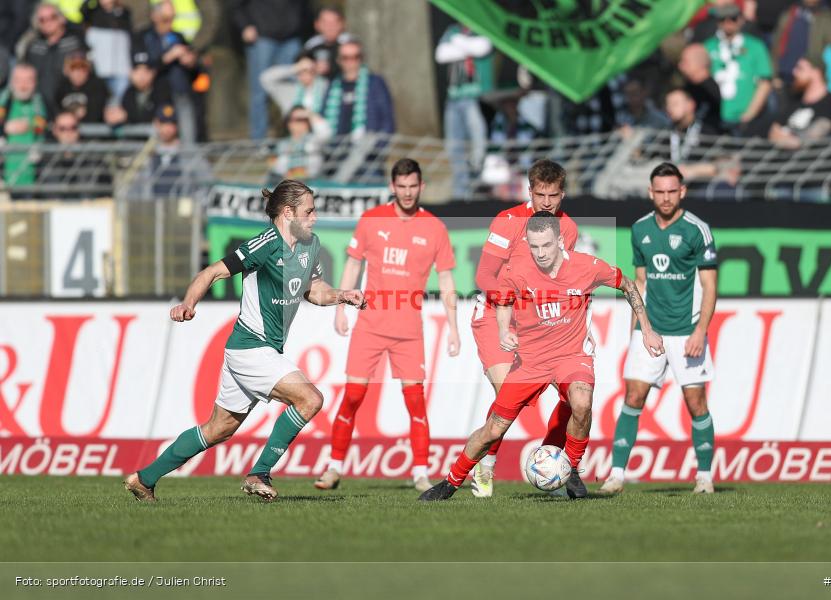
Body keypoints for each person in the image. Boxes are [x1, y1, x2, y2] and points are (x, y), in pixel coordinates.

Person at [124, 179, 367, 502]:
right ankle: (259, 473)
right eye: (309, 211)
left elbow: (314, 290)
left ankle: (144, 479)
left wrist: (342, 295)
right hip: (251, 347)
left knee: (218, 429)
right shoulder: (265, 244)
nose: (315, 217)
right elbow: (211, 272)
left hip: (261, 351)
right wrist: (188, 303)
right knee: (310, 399)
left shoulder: (311, 244)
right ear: (287, 212)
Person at [419, 212, 664, 501]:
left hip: (571, 356)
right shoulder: (516, 270)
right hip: (530, 361)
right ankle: (450, 483)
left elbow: (628, 285)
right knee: (493, 428)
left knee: (581, 402)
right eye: (534, 246)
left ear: (560, 240)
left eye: (546, 245)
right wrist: (503, 331)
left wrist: (647, 330)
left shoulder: (587, 266)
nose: (540, 253)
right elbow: (503, 302)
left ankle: (571, 468)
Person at [314, 158, 459, 493]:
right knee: (353, 396)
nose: (407, 193)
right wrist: (340, 306)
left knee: (415, 402)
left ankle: (420, 472)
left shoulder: (435, 228)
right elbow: (353, 264)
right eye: (401, 186)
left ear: (421, 187)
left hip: (409, 331)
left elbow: (446, 280)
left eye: (413, 186)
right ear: (392, 187)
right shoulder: (371, 220)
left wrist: (453, 327)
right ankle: (334, 467)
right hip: (370, 324)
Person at [599, 162, 718, 496]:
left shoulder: (698, 230)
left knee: (696, 403)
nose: (666, 198)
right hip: (649, 329)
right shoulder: (640, 229)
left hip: (687, 330)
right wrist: (635, 330)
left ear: (682, 191)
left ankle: (704, 477)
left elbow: (710, 286)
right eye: (660, 192)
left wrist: (700, 331)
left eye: (672, 191)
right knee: (633, 397)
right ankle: (616, 476)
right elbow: (640, 281)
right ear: (650, 192)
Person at [468, 159, 580, 499]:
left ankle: (553, 464)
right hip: (494, 314)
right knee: (508, 394)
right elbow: (484, 274)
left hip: (538, 323)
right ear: (529, 191)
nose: (546, 202)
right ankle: (486, 465)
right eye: (539, 195)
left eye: (553, 196)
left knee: (574, 393)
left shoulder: (568, 229)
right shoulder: (508, 221)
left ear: (563, 194)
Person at [435, 22, 493, 199]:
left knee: (478, 143)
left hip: (475, 98)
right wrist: (467, 47)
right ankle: (460, 192)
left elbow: (482, 47)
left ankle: (477, 186)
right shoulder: (452, 29)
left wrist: (457, 42)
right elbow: (441, 55)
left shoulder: (480, 28)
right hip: (453, 98)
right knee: (454, 146)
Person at [232, 0, 304, 139]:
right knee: (259, 93)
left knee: (296, 91)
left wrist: (299, 23)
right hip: (261, 37)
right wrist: (245, 25)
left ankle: (295, 137)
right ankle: (259, 141)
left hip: (291, 36)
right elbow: (236, 5)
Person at [133, 0, 199, 143]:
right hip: (155, 96)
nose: (170, 23)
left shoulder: (178, 37)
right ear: (154, 16)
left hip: (179, 92)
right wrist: (169, 57)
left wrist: (190, 61)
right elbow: (144, 69)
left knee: (187, 134)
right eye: (165, 18)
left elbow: (194, 69)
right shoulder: (144, 37)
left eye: (172, 18)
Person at [704, 3, 772, 134]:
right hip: (714, 118)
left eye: (733, 18)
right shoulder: (708, 47)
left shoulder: (755, 46)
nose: (728, 23)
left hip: (744, 119)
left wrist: (749, 114)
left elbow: (764, 82)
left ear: (741, 20)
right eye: (723, 19)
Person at [18, 2, 88, 114]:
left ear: (62, 19)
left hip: (67, 106)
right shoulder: (33, 46)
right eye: (42, 19)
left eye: (52, 17)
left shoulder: (75, 44)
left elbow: (82, 77)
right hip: (38, 106)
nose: (48, 22)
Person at [321, 37, 394, 137]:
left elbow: (388, 121)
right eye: (345, 58)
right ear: (338, 60)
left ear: (362, 58)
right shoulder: (333, 85)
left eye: (356, 57)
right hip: (336, 144)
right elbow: (323, 116)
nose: (351, 62)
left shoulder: (375, 83)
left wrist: (378, 144)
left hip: (368, 144)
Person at [769, 56, 831, 149]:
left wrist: (786, 140)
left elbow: (813, 139)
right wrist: (792, 141)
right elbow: (774, 130)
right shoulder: (793, 99)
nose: (794, 72)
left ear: (816, 72)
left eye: (800, 68)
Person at [0, 62, 47, 188]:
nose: (23, 85)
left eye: (28, 80)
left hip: (31, 172)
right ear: (12, 82)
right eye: (19, 80)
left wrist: (29, 126)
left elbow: (44, 127)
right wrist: (4, 129)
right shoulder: (4, 100)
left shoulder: (40, 102)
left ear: (35, 83)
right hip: (5, 172)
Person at [80, 0, 132, 103]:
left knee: (122, 102)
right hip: (100, 71)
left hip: (121, 70)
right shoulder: (93, 12)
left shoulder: (123, 13)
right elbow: (83, 10)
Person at [260, 52, 329, 117]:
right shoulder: (288, 89)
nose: (306, 75)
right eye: (302, 71)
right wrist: (295, 68)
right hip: (293, 124)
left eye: (310, 71)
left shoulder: (324, 87)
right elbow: (265, 78)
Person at [270, 105, 330, 180]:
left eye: (300, 119)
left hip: (311, 182)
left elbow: (325, 133)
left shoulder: (313, 140)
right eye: (291, 119)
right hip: (288, 183)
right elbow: (277, 167)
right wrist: (287, 173)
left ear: (308, 122)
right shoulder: (283, 143)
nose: (295, 123)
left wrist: (309, 114)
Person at [677, 43, 723, 132]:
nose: (680, 66)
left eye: (685, 62)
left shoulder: (710, 92)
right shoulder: (687, 88)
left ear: (699, 63)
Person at [54, 52, 109, 123]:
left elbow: (95, 114)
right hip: (67, 127)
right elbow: (56, 112)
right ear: (67, 71)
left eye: (83, 68)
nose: (78, 73)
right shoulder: (61, 87)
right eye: (73, 68)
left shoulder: (97, 86)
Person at [303, 5, 352, 79]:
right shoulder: (311, 45)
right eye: (325, 23)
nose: (330, 27)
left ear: (343, 24)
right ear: (317, 25)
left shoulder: (350, 44)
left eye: (334, 23)